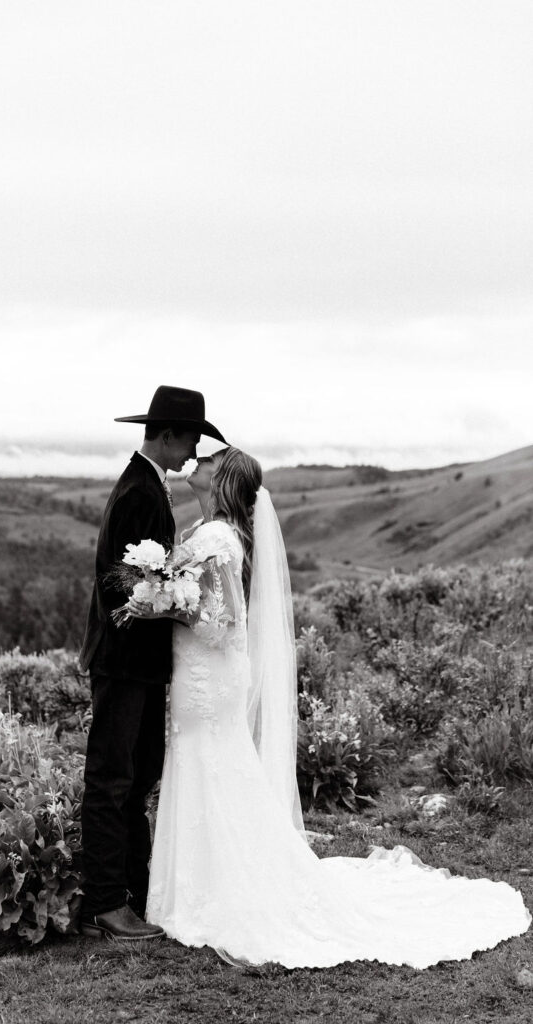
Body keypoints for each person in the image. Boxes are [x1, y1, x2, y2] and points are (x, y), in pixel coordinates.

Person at [128, 446, 531, 968]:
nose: (196, 465)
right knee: (206, 764)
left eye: (207, 462)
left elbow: (220, 624)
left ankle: (220, 890)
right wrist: (172, 602)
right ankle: (202, 884)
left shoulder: (217, 537)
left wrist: (163, 610)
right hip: (202, 674)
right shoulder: (205, 533)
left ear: (222, 479)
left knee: (211, 763)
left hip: (209, 675)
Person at [79, 385, 226, 941]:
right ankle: (104, 904)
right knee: (112, 780)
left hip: (138, 662)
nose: (193, 450)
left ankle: (133, 894)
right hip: (123, 661)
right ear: (166, 435)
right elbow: (121, 585)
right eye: (190, 438)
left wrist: (171, 590)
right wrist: (175, 597)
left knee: (136, 777)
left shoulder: (149, 484)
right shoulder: (139, 490)